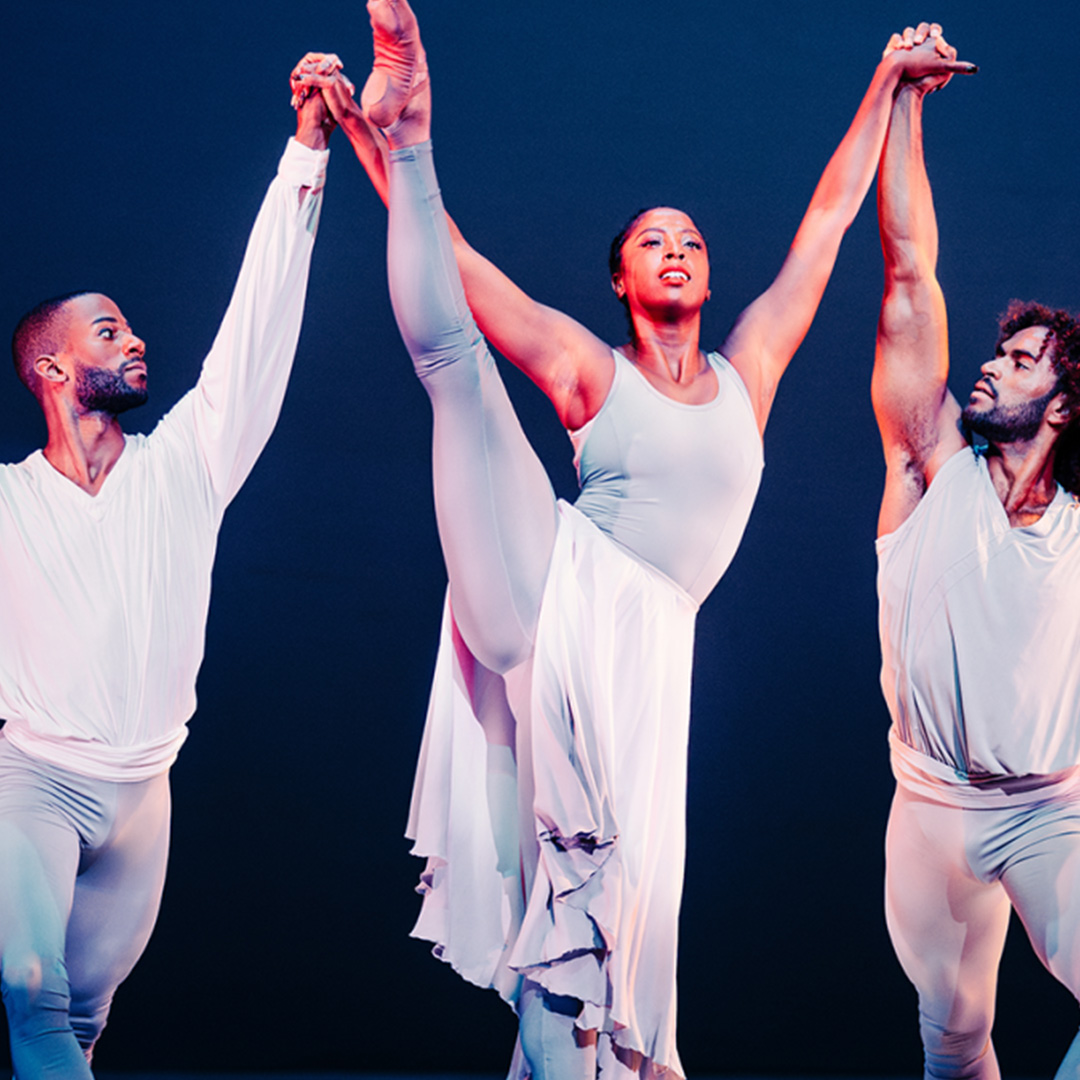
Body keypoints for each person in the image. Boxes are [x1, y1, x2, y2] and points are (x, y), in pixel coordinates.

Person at [296, 6, 972, 1079]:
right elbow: (454, 263)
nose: (677, 250)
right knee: (458, 375)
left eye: (692, 241)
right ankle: (410, 110)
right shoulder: (587, 367)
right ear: (621, 277)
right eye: (653, 240)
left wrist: (890, 84)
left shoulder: (747, 373)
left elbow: (831, 222)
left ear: (706, 277)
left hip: (651, 656)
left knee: (598, 938)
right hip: (556, 584)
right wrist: (380, 144)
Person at [0, 73, 335, 1078]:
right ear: (51, 370)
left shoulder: (187, 463)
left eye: (132, 329)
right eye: (108, 331)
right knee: (27, 989)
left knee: (82, 1021)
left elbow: (261, 323)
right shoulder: (9, 502)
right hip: (35, 784)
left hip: (146, 792)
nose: (137, 338)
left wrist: (306, 157)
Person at [874, 24, 1080, 1080]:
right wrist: (907, 104)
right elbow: (911, 273)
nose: (990, 370)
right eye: (994, 355)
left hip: (1057, 808)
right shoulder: (926, 460)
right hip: (933, 808)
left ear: (1068, 401)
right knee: (954, 1039)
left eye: (1019, 361)